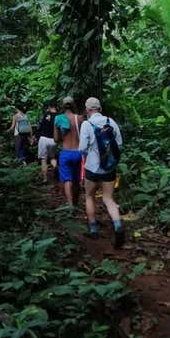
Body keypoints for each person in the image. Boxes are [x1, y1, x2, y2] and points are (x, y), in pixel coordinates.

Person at [78, 97, 124, 248]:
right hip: (109, 168)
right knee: (108, 199)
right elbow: (119, 144)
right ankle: (117, 226)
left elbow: (82, 148)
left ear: (87, 109)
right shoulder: (111, 122)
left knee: (89, 197)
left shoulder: (86, 124)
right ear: (100, 108)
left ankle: (92, 228)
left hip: (91, 168)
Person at [53, 97, 83, 206]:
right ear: (73, 105)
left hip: (66, 152)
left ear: (63, 105)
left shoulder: (58, 118)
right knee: (77, 180)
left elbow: (56, 139)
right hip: (78, 152)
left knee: (67, 180)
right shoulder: (79, 118)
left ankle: (70, 205)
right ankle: (76, 203)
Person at [37, 102, 59, 184]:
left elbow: (40, 126)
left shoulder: (45, 115)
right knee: (52, 158)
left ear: (49, 107)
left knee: (44, 160)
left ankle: (45, 179)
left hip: (43, 139)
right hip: (53, 139)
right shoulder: (58, 116)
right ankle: (56, 167)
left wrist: (36, 136)